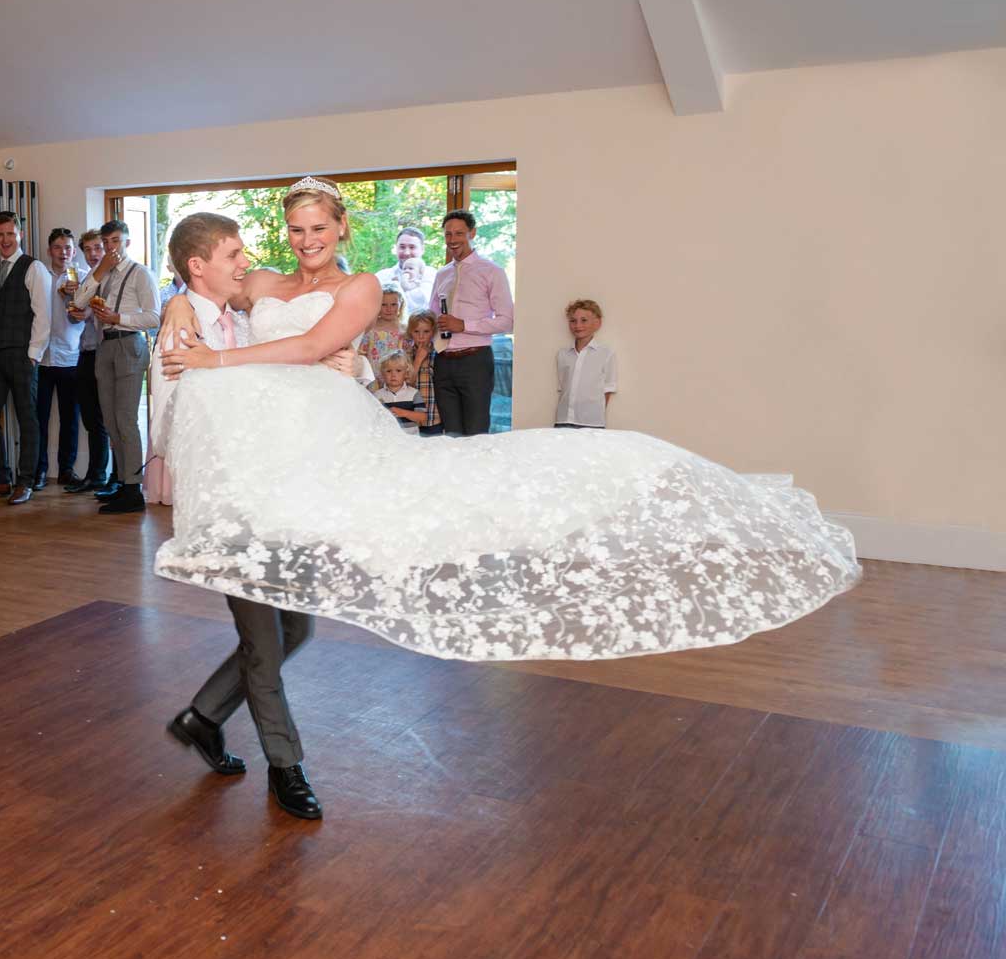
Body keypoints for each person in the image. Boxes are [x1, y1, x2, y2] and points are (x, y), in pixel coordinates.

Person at [155, 175, 860, 674]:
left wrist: (218, 358)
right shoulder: (265, 281)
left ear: (341, 227)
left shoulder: (361, 285)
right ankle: (236, 703)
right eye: (296, 229)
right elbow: (198, 284)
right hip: (276, 452)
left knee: (426, 506)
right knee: (286, 599)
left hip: (329, 433)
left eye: (319, 228)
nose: (306, 240)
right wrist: (179, 313)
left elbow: (311, 347)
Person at [154, 211, 322, 820]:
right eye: (233, 255)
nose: (245, 263)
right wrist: (176, 304)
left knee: (296, 629)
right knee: (263, 643)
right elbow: (172, 427)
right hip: (229, 514)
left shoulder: (241, 321)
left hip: (273, 501)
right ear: (198, 267)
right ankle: (286, 767)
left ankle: (202, 717)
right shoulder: (182, 332)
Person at [0, 210, 50, 505]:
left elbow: (44, 314)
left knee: (27, 418)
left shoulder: (34, 268)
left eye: (9, 234)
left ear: (20, 235)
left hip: (21, 354)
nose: (4, 239)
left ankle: (25, 481)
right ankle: (0, 478)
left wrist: (33, 355)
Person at [82, 220, 159, 515]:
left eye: (116, 241)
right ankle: (122, 482)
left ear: (126, 242)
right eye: (106, 242)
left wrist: (118, 318)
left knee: (126, 419)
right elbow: (78, 300)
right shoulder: (101, 275)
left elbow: (153, 317)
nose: (111, 247)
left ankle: (133, 490)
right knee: (111, 420)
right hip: (105, 347)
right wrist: (97, 273)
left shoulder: (141, 274)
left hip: (129, 343)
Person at [427, 209, 514, 436]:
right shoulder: (441, 274)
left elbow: (507, 321)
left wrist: (464, 325)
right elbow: (433, 316)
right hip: (443, 361)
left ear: (472, 233)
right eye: (448, 234)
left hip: (475, 361)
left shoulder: (492, 271)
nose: (453, 240)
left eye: (459, 233)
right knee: (450, 434)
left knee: (476, 435)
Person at [36, 227, 86, 492]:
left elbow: (85, 315)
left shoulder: (83, 277)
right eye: (58, 247)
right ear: (49, 251)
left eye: (68, 247)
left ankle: (66, 470)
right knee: (38, 419)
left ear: (73, 250)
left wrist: (73, 297)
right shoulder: (39, 275)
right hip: (42, 357)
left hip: (70, 356)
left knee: (70, 418)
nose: (63, 252)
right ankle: (39, 470)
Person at [61, 229, 111, 495]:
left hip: (106, 352)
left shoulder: (114, 278)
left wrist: (88, 312)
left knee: (107, 419)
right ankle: (95, 474)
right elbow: (72, 318)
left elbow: (112, 316)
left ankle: (106, 475)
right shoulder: (83, 280)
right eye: (88, 250)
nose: (93, 254)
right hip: (85, 351)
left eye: (97, 248)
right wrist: (73, 304)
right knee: (91, 419)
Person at [555, 299, 617, 429]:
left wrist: (595, 414)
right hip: (563, 420)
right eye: (573, 321)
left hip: (591, 422)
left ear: (597, 323)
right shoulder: (563, 354)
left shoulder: (606, 354)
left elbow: (608, 388)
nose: (578, 325)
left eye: (584, 320)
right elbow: (563, 386)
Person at [376, 224, 436, 318]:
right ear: (396, 248)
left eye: (412, 247)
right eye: (402, 247)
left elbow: (421, 303)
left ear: (422, 249)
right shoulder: (382, 277)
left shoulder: (432, 275)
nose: (407, 252)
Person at [357, 287, 408, 390]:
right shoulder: (370, 329)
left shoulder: (405, 330)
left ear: (401, 305)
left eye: (393, 305)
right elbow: (362, 353)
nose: (389, 309)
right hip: (373, 377)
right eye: (383, 305)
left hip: (396, 379)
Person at [403, 312, 443, 437]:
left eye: (426, 332)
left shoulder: (439, 354)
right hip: (411, 417)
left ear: (433, 332)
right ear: (410, 332)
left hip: (433, 416)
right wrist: (418, 360)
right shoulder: (405, 354)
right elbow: (406, 382)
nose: (421, 336)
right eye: (416, 332)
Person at [375, 354, 424, 434]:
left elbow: (422, 418)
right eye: (388, 371)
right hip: (388, 439)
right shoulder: (377, 395)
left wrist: (403, 413)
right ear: (383, 374)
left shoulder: (414, 393)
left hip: (411, 440)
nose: (393, 375)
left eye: (398, 370)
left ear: (406, 373)